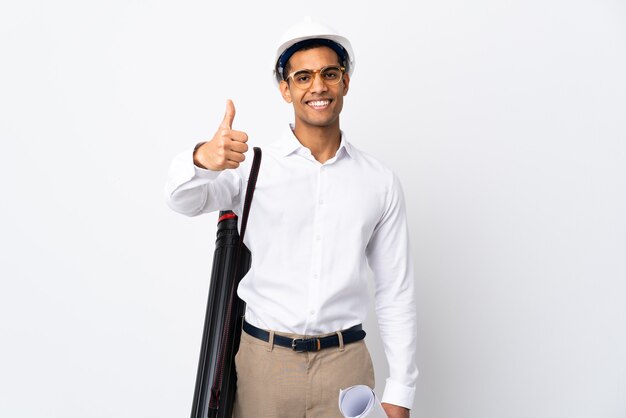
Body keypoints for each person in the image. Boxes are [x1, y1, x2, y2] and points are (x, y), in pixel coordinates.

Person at [165, 17, 417, 418]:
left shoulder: (379, 181)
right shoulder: (252, 168)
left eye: (329, 73)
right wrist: (201, 159)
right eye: (303, 77)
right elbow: (182, 200)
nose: (318, 86)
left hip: (345, 367)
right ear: (286, 88)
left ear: (345, 82)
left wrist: (401, 390)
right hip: (264, 363)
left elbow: (394, 290)